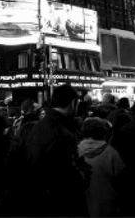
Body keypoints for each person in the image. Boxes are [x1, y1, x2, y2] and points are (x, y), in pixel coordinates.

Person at [25, 84, 91, 217]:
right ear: (73, 103)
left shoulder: (37, 127)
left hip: (39, 201)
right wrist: (84, 172)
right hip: (60, 204)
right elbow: (68, 177)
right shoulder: (63, 132)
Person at [78, 117, 126, 217]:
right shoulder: (110, 152)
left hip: (83, 203)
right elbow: (121, 177)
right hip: (107, 202)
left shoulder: (76, 151)